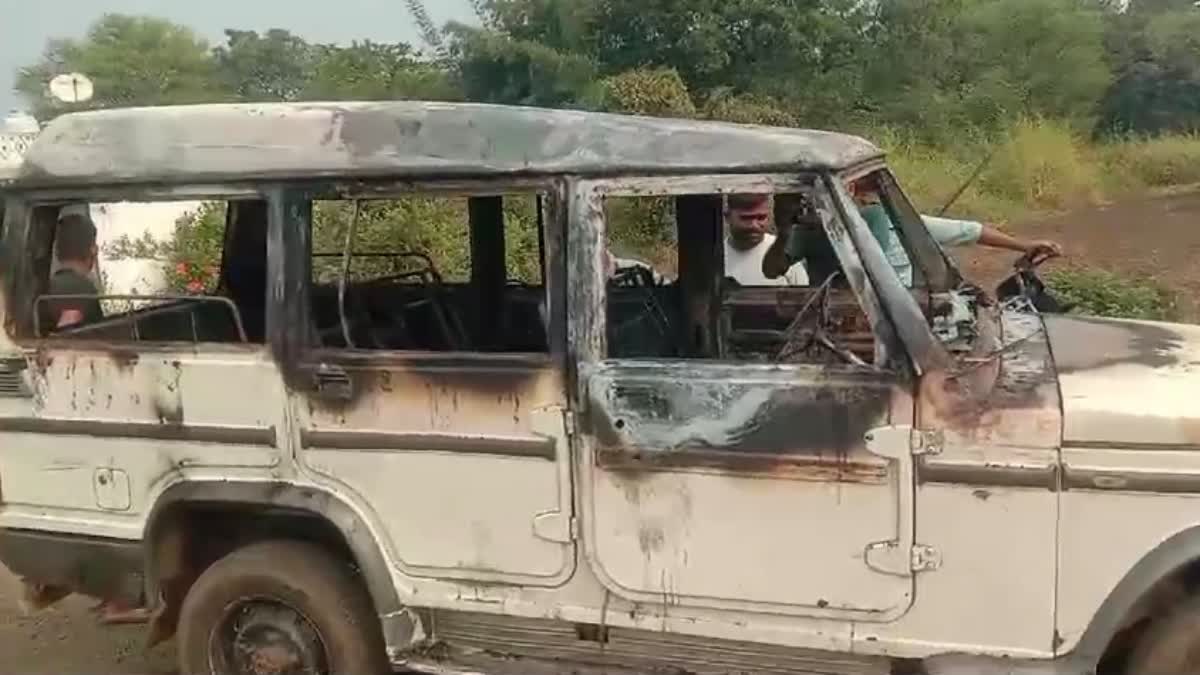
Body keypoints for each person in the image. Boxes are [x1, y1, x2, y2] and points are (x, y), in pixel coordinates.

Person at [762, 176, 1063, 285]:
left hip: (906, 320)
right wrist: (786, 231)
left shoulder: (891, 221)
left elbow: (970, 231)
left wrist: (1025, 246)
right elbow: (772, 271)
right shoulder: (808, 235)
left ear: (850, 191)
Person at [39, 212, 103, 334]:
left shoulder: (47, 286)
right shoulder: (79, 289)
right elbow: (66, 337)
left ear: (57, 251)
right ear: (93, 250)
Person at [725, 193, 808, 286]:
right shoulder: (714, 256)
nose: (754, 225)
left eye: (761, 218)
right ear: (727, 216)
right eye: (746, 218)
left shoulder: (783, 251)